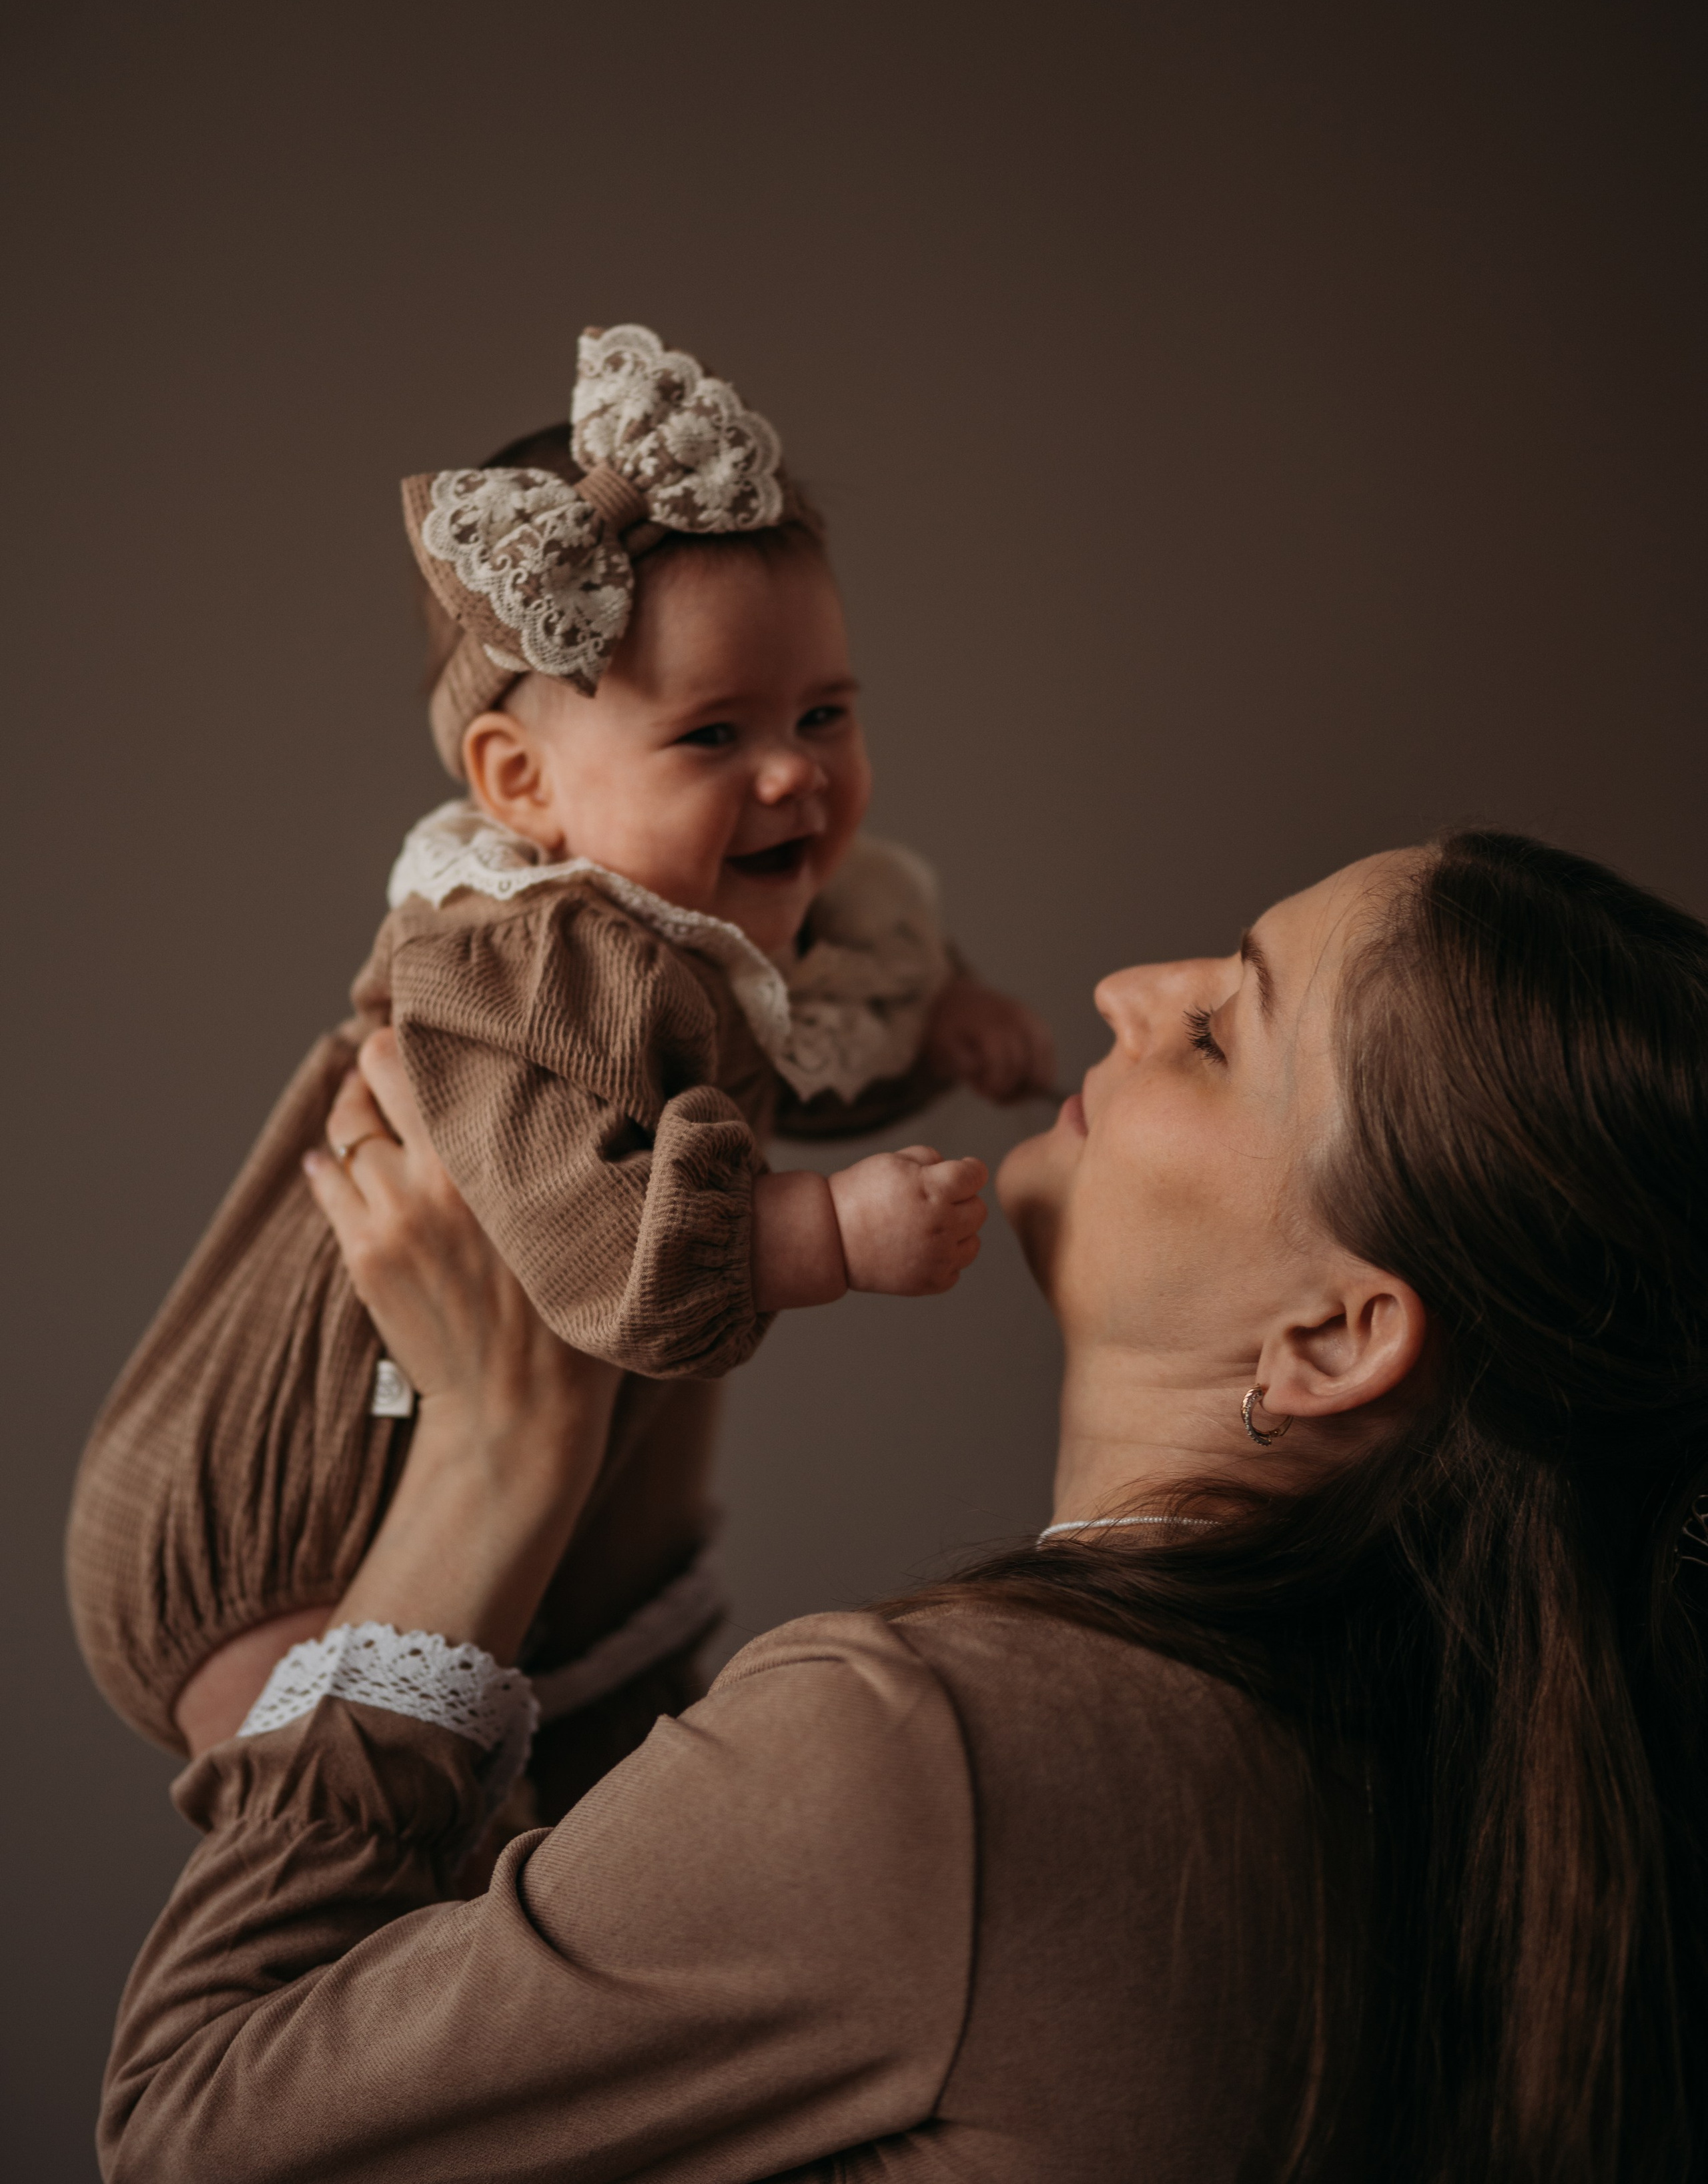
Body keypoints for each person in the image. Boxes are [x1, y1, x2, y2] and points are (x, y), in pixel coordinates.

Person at [100, 831, 1708, 2181]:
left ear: (1335, 1337)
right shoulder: (1445, 1800)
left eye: (1220, 1032)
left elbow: (188, 2130)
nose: (1128, 994)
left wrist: (491, 1462)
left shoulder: (934, 1756)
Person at [67, 322, 1050, 1780]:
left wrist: (935, 1025)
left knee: (575, 1815)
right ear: (520, 785)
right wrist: (819, 1232)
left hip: (555, 1509)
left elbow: (808, 1028)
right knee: (385, 1841)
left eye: (823, 713)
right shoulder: (515, 959)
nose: (793, 773)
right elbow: (578, 1232)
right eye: (711, 734)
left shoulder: (728, 922)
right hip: (292, 1521)